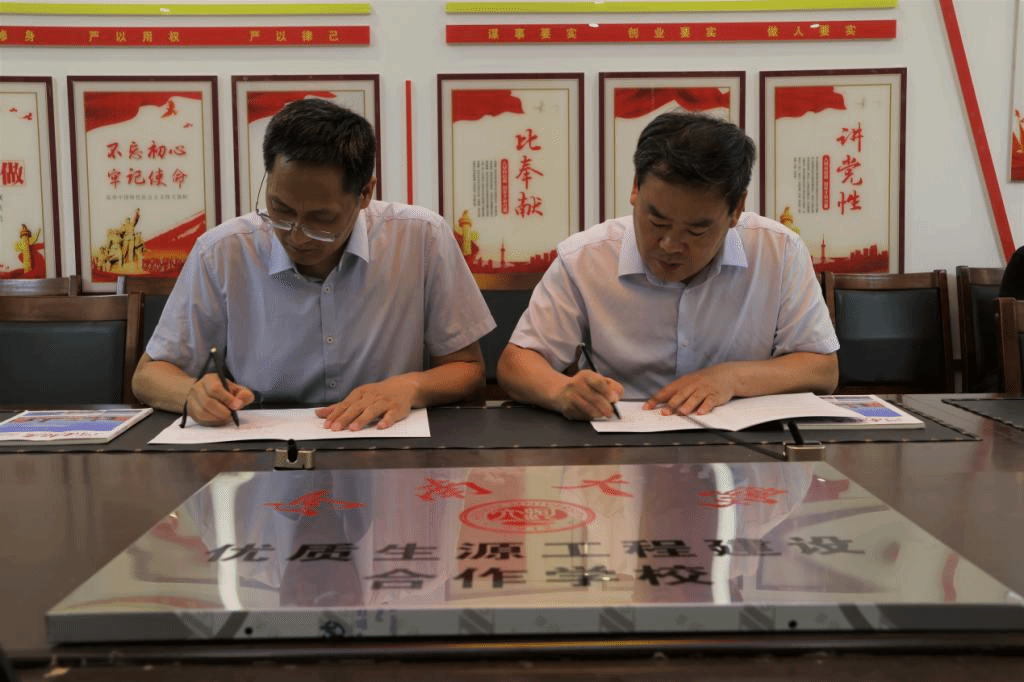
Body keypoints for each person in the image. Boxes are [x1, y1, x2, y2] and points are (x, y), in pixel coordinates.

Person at [133, 99, 495, 430]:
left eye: (321, 219)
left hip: (381, 442)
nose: (297, 236)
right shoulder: (222, 252)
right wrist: (193, 394)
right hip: (260, 449)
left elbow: (467, 369)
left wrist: (409, 386)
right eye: (281, 210)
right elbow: (149, 375)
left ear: (365, 193)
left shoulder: (421, 238)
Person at [496, 112, 839, 420]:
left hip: (746, 452)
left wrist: (731, 378)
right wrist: (562, 391)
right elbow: (516, 364)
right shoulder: (585, 258)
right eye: (657, 221)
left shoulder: (778, 251)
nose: (670, 245)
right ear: (635, 188)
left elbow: (822, 369)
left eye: (696, 230)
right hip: (620, 446)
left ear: (736, 210)